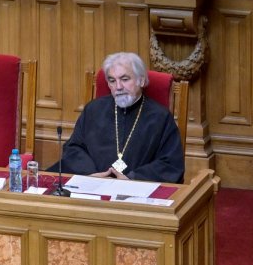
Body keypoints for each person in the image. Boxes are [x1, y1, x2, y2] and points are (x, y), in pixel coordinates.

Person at [60, 51, 184, 183]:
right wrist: (91, 174)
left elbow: (170, 163)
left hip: (136, 189)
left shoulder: (161, 117)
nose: (118, 87)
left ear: (141, 80)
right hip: (93, 184)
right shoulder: (93, 110)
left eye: (125, 79)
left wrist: (132, 178)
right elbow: (73, 148)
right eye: (112, 81)